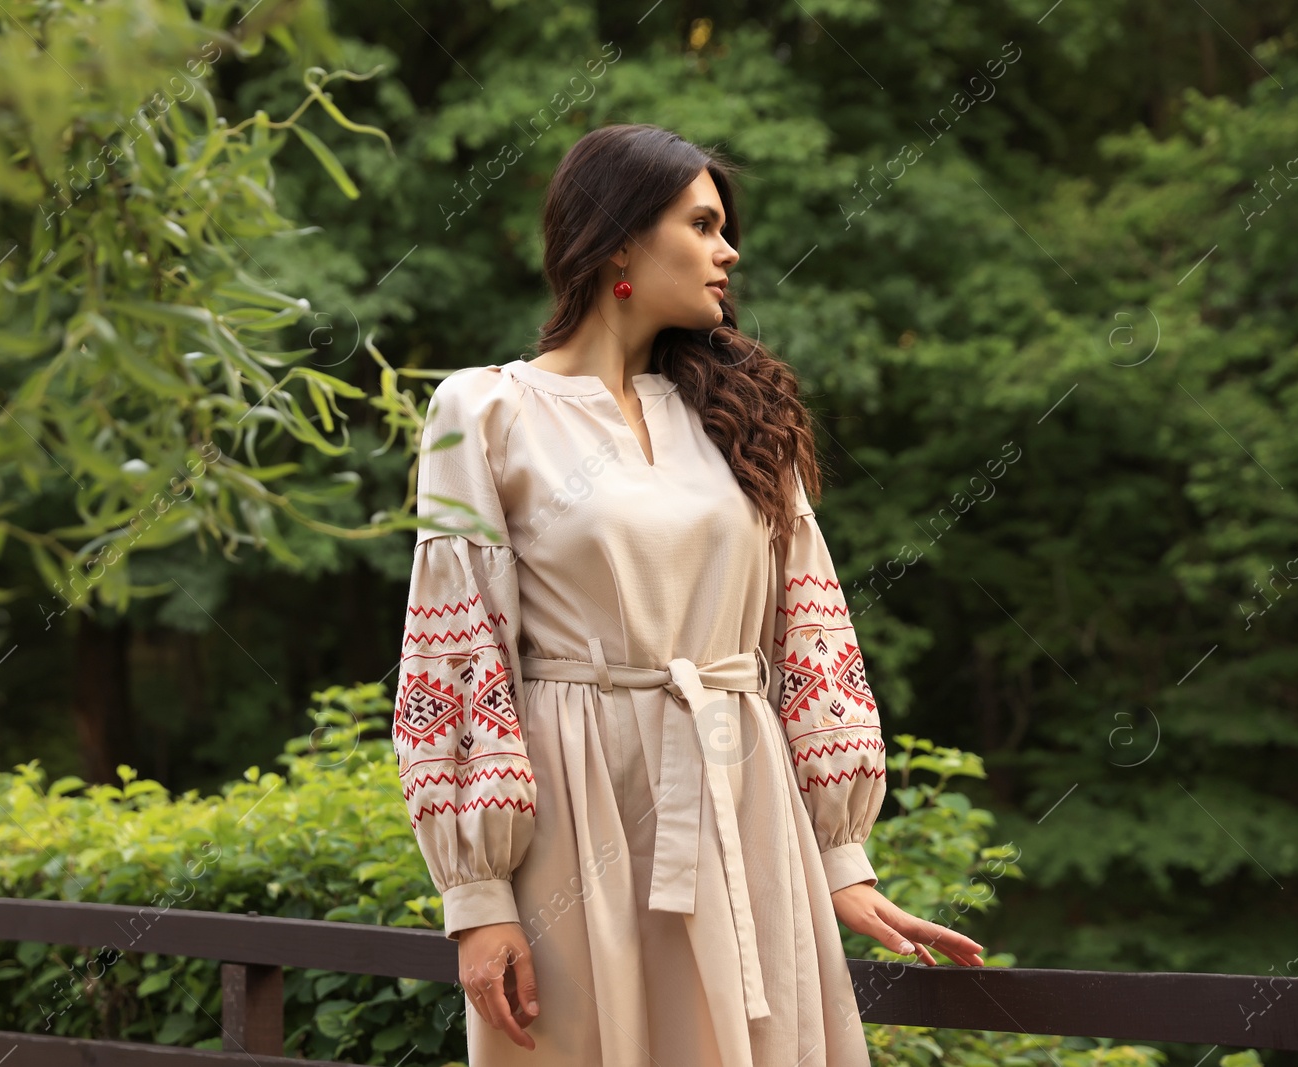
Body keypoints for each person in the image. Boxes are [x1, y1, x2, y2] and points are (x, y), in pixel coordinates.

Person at [392, 123, 984, 1067]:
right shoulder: (484, 411)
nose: (729, 250)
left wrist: (842, 858)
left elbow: (810, 632)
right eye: (703, 224)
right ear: (620, 240)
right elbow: (458, 655)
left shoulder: (747, 418)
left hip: (745, 802)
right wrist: (478, 900)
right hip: (575, 826)